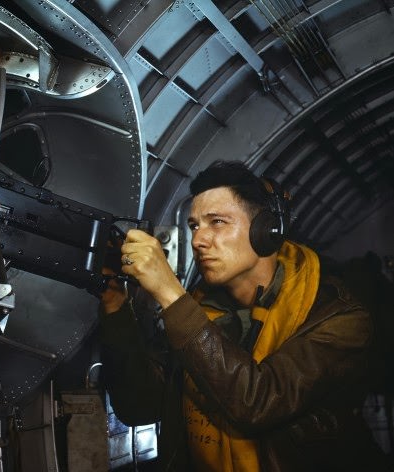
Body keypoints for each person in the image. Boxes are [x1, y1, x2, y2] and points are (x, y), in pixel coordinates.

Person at [99, 160, 392, 471]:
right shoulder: (198, 314)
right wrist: (115, 305)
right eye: (195, 225)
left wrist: (170, 294)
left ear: (267, 230)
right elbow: (138, 406)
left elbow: (258, 403)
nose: (199, 240)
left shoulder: (340, 318)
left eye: (218, 222)